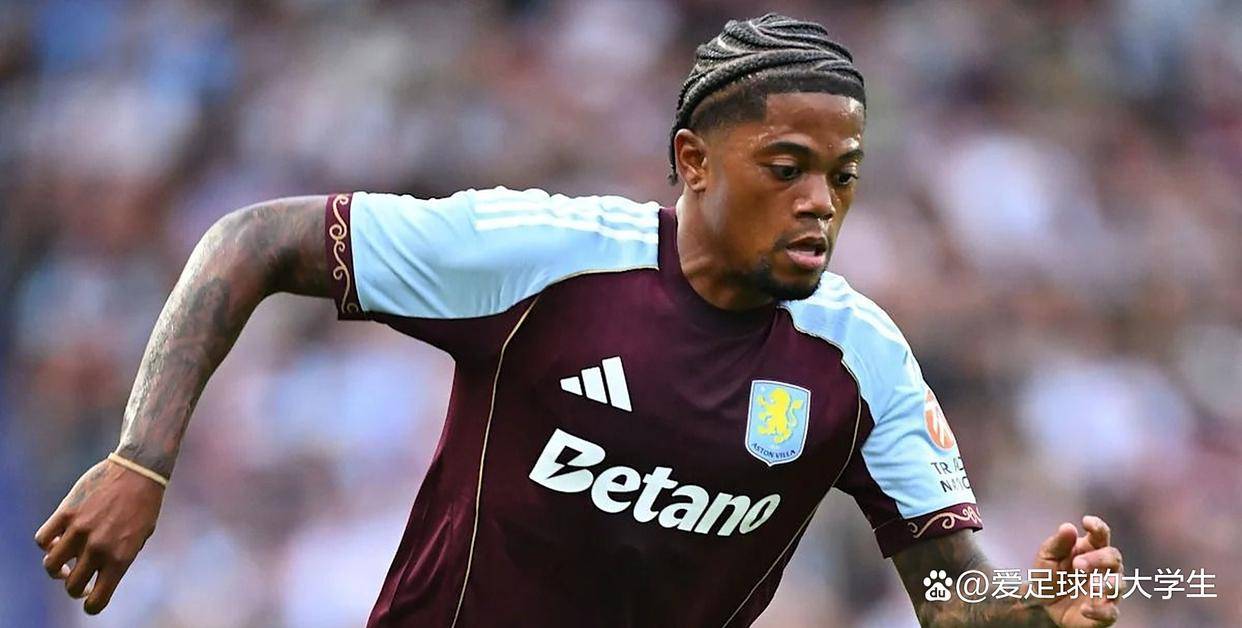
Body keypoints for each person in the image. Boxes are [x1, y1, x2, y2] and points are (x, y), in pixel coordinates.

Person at [34, 14, 1123, 627]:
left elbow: (949, 595)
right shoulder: (542, 257)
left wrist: (1030, 613)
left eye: (842, 177)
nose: (820, 205)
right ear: (693, 162)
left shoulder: (860, 359)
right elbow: (255, 239)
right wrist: (141, 460)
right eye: (786, 168)